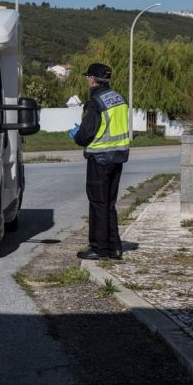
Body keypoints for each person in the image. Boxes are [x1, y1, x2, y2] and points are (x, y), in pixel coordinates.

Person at [71, 63, 130, 260]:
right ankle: (115, 247)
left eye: (88, 77)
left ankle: (98, 248)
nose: (87, 80)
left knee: (98, 203)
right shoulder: (119, 99)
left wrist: (76, 135)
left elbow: (86, 135)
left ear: (93, 80)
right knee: (109, 203)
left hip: (100, 158)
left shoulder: (96, 102)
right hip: (118, 157)